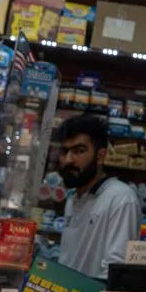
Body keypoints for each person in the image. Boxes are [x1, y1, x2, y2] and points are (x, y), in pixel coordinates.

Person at [56, 114, 141, 280]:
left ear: (100, 156)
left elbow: (115, 270)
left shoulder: (121, 198)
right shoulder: (73, 198)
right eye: (64, 151)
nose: (68, 160)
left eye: (79, 151)